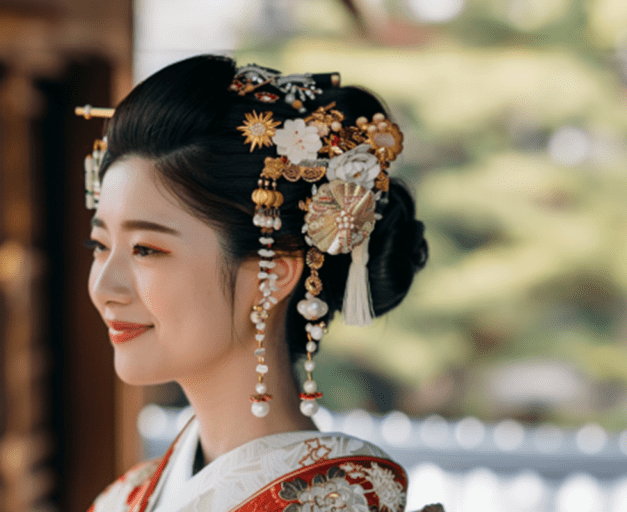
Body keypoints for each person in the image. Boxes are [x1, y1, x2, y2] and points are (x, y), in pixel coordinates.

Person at [82, 55, 438, 512]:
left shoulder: (336, 501)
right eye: (99, 245)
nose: (104, 287)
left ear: (273, 271)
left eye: (145, 249)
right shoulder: (123, 498)